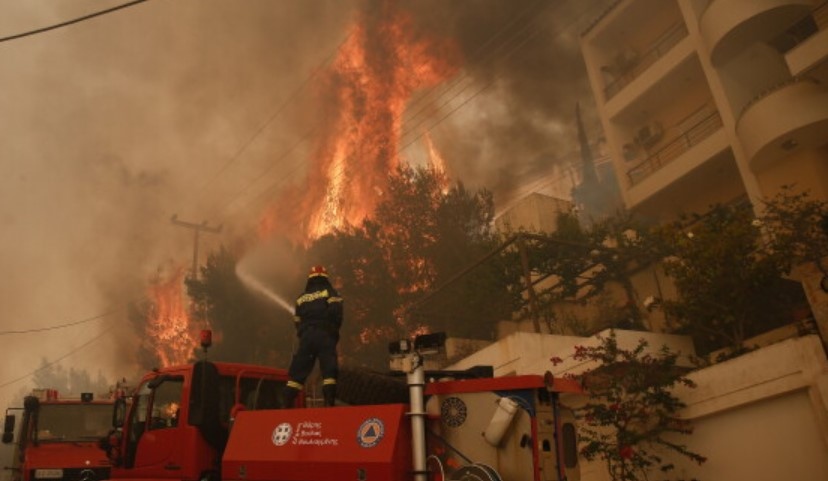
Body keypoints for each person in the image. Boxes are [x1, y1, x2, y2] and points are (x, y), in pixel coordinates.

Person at [282, 265, 344, 408]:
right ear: (325, 278)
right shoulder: (330, 292)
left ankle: (286, 403)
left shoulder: (301, 297)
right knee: (329, 369)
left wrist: (303, 334)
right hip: (324, 335)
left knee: (299, 371)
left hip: (307, 337)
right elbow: (337, 313)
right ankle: (329, 402)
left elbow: (297, 320)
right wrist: (332, 331)